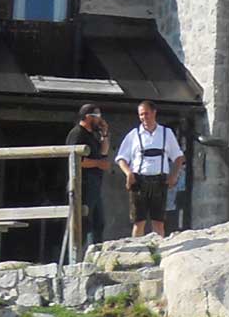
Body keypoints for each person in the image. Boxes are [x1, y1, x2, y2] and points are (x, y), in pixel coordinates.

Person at [113, 100, 184, 238]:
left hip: (159, 181)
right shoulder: (134, 135)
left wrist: (174, 176)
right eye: (141, 115)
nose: (144, 117)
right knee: (139, 222)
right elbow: (121, 158)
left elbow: (178, 157)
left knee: (158, 222)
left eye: (146, 114)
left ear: (154, 113)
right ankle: (138, 252)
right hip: (139, 181)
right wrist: (128, 173)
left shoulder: (166, 133)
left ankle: (159, 251)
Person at [63, 103, 110, 252]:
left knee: (98, 222)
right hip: (82, 184)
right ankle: (75, 257)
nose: (100, 120)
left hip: (95, 185)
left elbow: (104, 152)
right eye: (97, 117)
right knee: (84, 223)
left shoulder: (92, 135)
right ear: (88, 117)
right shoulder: (77, 133)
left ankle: (95, 255)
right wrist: (97, 163)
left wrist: (105, 134)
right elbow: (76, 161)